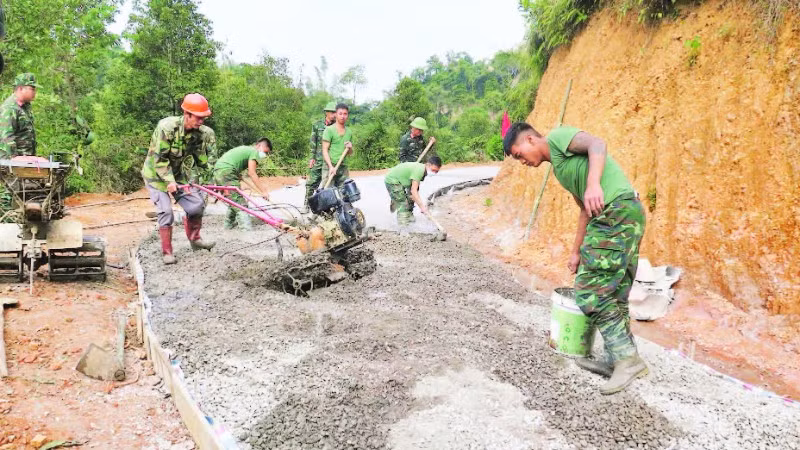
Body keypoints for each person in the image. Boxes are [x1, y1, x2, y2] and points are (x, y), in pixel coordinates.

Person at [503, 122, 647, 395]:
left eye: (519, 154)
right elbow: (584, 209)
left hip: (615, 213)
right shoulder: (561, 169)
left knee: (591, 291)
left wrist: (593, 184)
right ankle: (615, 359)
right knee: (615, 291)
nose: (522, 162)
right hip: (626, 212)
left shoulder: (557, 137)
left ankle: (628, 360)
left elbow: (597, 144)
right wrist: (576, 251)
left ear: (531, 140)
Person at [141, 93, 217, 265]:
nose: (201, 121)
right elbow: (159, 160)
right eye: (198, 117)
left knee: (196, 205)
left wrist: (212, 179)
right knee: (166, 211)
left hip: (177, 174)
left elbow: (201, 159)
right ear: (186, 114)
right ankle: (167, 252)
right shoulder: (167, 128)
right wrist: (169, 181)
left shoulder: (199, 133)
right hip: (155, 175)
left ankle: (195, 239)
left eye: (204, 118)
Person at [213, 138, 272, 230]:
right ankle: (246, 230)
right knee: (240, 204)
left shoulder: (246, 149)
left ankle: (227, 226)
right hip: (226, 171)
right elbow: (252, 173)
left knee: (233, 200)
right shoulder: (254, 152)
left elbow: (234, 161)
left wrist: (237, 174)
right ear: (259, 146)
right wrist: (263, 191)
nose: (265, 155)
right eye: (265, 152)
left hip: (219, 171)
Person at [384, 156, 442, 225]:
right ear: (428, 165)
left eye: (436, 171)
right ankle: (403, 225)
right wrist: (422, 207)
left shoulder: (423, 170)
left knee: (411, 198)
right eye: (433, 170)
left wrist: (419, 204)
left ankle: (409, 216)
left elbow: (414, 190)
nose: (434, 173)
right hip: (392, 181)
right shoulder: (419, 170)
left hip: (403, 181)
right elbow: (414, 191)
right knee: (403, 203)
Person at [305, 102, 337, 209]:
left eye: (335, 112)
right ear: (326, 113)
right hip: (318, 159)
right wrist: (312, 158)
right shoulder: (317, 125)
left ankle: (326, 208)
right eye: (332, 112)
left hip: (330, 161)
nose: (334, 115)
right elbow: (313, 142)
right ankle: (307, 205)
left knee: (328, 185)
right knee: (311, 183)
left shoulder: (337, 127)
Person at [0, 73, 39, 158]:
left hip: (25, 159)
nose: (34, 92)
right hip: (11, 161)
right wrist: (15, 159)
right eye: (32, 89)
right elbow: (6, 137)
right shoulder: (9, 108)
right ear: (21, 89)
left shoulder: (25, 107)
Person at [321, 103, 353, 190]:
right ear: (336, 114)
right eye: (340, 114)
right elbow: (324, 150)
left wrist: (350, 147)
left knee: (345, 193)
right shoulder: (329, 130)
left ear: (347, 115)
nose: (343, 116)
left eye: (345, 114)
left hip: (342, 167)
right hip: (329, 166)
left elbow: (350, 153)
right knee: (328, 193)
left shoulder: (349, 132)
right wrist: (331, 166)